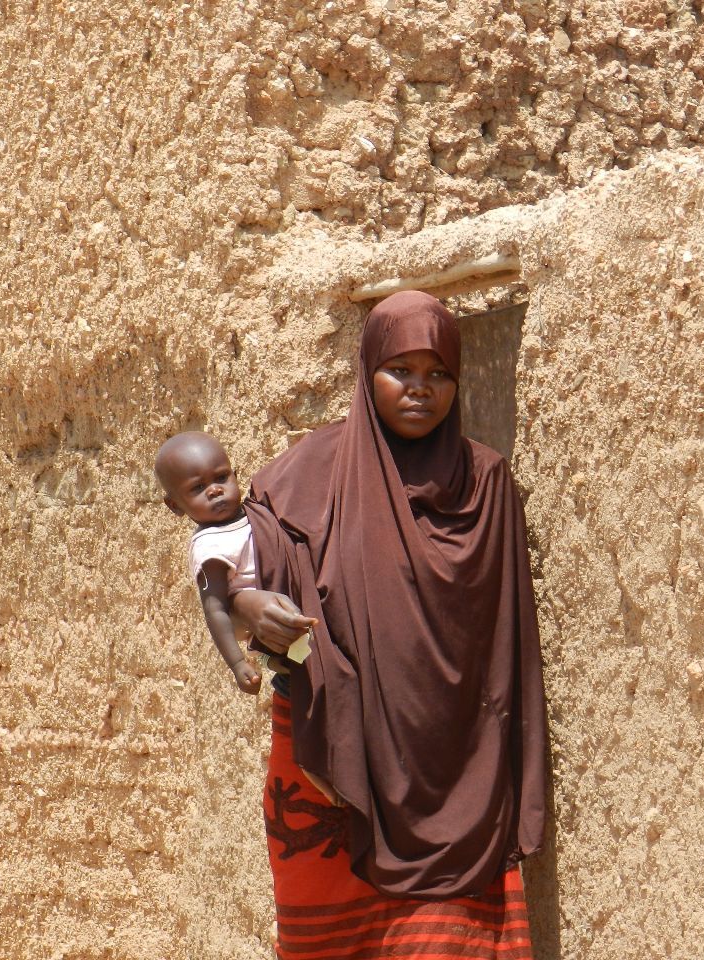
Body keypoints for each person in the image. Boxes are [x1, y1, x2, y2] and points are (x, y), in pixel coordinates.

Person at [231, 290, 549, 959]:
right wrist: (244, 603)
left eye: (438, 374)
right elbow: (231, 558)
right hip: (334, 762)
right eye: (400, 370)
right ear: (366, 369)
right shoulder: (306, 476)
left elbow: (508, 644)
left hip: (455, 772)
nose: (420, 389)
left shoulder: (484, 482)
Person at [154, 431, 263, 695]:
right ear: (174, 505)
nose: (215, 490)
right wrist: (237, 663)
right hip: (274, 628)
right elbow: (215, 609)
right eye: (197, 488)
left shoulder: (256, 512)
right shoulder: (212, 547)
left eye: (221, 477)